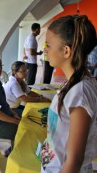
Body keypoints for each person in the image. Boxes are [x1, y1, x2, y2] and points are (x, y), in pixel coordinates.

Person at [40, 15, 97, 173]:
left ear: (66, 51)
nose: (45, 49)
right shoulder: (73, 84)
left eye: (48, 45)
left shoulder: (80, 93)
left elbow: (74, 161)